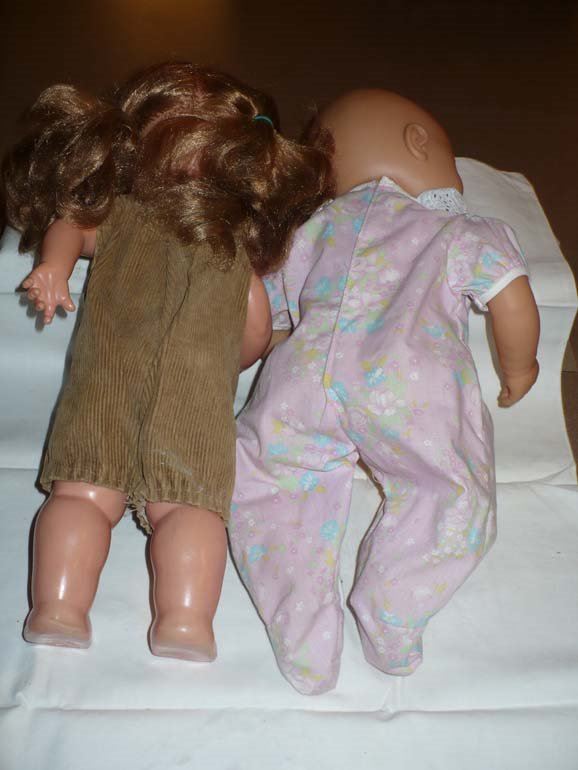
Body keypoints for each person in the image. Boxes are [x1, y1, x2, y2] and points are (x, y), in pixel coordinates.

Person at [2, 61, 334, 662]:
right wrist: (224, 363)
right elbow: (254, 334)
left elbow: (70, 225)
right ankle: (182, 621)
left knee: (85, 497)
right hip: (183, 396)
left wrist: (55, 264)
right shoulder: (225, 249)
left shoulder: (132, 219)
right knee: (181, 507)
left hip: (109, 382)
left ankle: (63, 607)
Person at [229, 88, 540, 694]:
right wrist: (519, 365)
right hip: (406, 379)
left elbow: (273, 323)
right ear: (418, 143)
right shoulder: (457, 228)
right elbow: (511, 298)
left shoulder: (311, 231)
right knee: (450, 491)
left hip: (303, 373)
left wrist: (269, 379)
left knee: (268, 482)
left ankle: (302, 635)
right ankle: (392, 609)